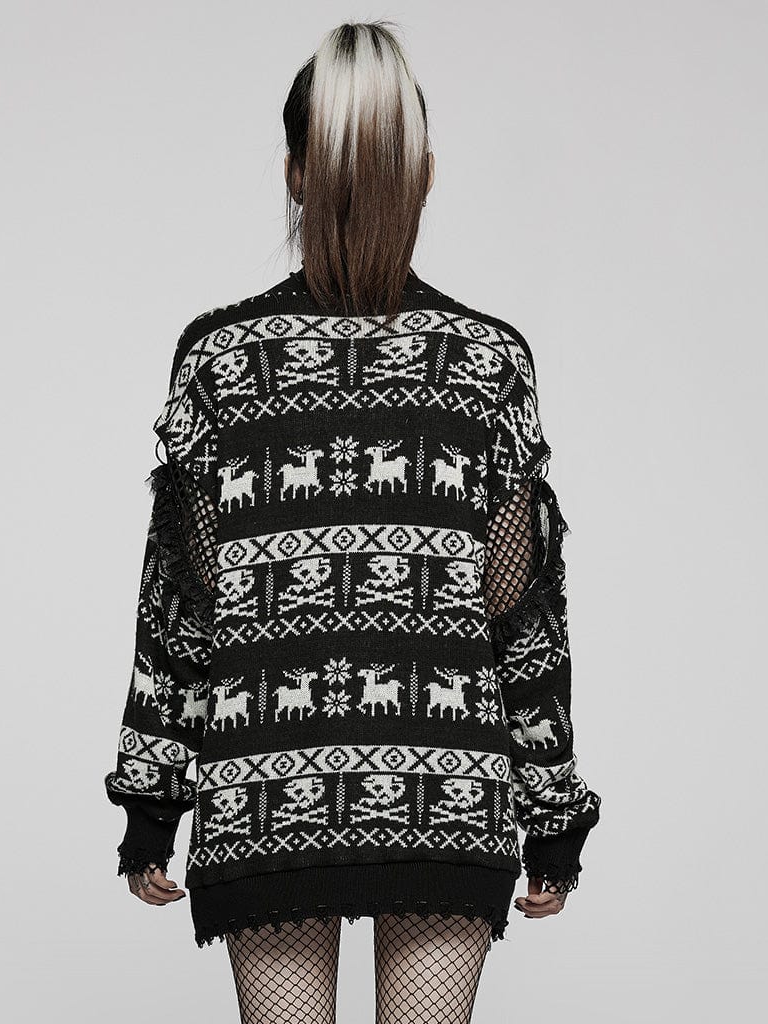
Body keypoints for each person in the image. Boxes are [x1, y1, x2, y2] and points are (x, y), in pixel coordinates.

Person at [103, 20, 602, 1024]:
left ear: (296, 173)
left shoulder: (220, 360)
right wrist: (553, 812)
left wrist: (153, 801)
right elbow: (519, 611)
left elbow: (181, 608)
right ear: (424, 175)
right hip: (442, 795)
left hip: (269, 798)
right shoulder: (488, 363)